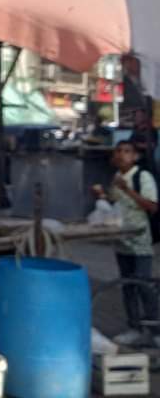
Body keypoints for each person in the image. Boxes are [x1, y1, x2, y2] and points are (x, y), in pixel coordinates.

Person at [93, 140, 159, 347]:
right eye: (118, 151)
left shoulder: (142, 177)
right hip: (122, 242)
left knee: (143, 286)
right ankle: (134, 327)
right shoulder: (116, 178)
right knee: (127, 286)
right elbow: (116, 206)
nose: (122, 155)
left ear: (135, 157)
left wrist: (127, 189)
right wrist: (102, 197)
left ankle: (155, 330)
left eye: (127, 151)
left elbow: (152, 206)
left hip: (140, 241)